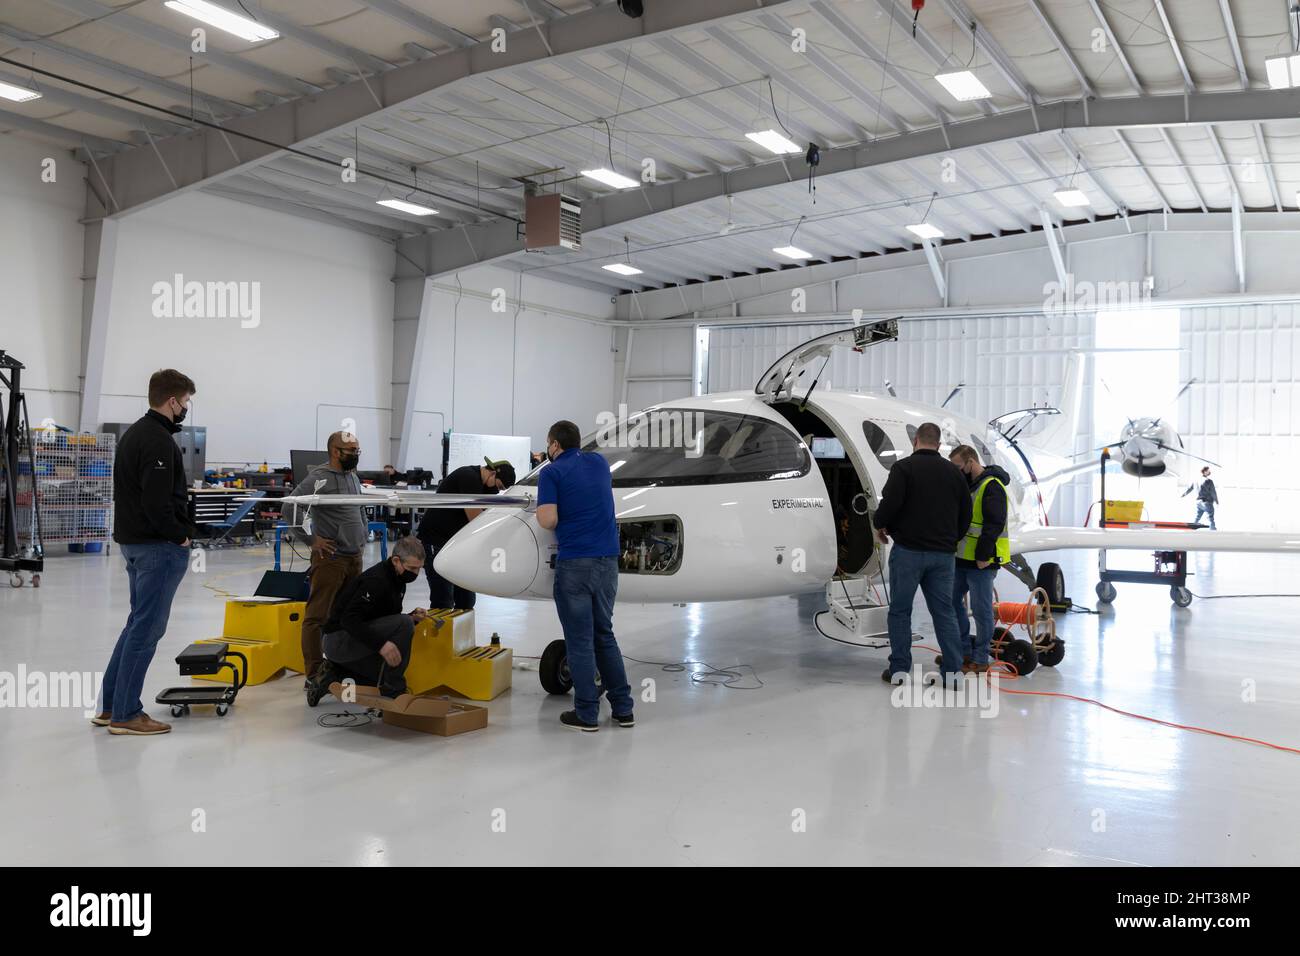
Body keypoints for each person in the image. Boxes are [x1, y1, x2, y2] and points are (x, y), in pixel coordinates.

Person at [93, 369, 197, 736]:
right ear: (172, 400)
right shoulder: (157, 440)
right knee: (147, 630)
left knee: (135, 625)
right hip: (157, 547)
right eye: (185, 402)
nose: (186, 409)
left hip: (134, 544)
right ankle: (126, 713)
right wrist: (180, 536)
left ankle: (110, 706)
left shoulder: (135, 433)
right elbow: (157, 502)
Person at [535, 420, 634, 732]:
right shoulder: (599, 463)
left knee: (579, 640)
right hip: (608, 562)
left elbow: (548, 519)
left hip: (576, 562)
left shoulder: (551, 472)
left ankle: (587, 714)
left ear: (554, 445)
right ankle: (623, 709)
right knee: (604, 634)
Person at [871, 422, 972, 684]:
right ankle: (953, 673)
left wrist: (880, 525)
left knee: (901, 612)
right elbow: (966, 515)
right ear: (938, 445)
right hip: (943, 556)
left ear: (915, 441)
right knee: (944, 612)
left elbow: (890, 505)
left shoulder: (903, 468)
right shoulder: (954, 473)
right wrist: (950, 539)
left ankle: (900, 671)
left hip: (908, 553)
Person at [307, 537, 428, 704]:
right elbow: (349, 620)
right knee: (403, 627)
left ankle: (334, 674)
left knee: (378, 675)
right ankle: (393, 690)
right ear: (396, 561)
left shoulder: (398, 579)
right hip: (337, 640)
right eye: (412, 568)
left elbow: (384, 617)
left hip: (352, 639)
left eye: (419, 569)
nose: (415, 574)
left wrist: (411, 617)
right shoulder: (377, 581)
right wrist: (382, 645)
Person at [289, 431, 367, 684]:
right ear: (336, 451)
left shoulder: (352, 476)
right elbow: (289, 506)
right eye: (352, 450)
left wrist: (363, 534)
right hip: (331, 559)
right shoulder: (320, 478)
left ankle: (341, 664)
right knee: (317, 617)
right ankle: (313, 674)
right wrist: (312, 541)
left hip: (354, 556)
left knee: (347, 615)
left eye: (357, 450)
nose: (356, 455)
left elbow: (358, 508)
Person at [416, 457, 515, 610]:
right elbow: (475, 518)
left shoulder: (485, 486)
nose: (497, 490)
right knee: (443, 598)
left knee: (467, 599)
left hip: (456, 542)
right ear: (493, 473)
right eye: (498, 485)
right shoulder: (469, 477)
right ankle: (442, 633)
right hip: (435, 538)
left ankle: (461, 633)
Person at [948, 445, 1011, 674]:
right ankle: (962, 652)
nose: (956, 471)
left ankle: (981, 658)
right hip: (961, 559)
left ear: (971, 462)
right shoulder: (967, 485)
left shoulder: (992, 486)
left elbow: (994, 525)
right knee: (952, 602)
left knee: (981, 610)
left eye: (958, 467)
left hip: (981, 562)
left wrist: (984, 555)